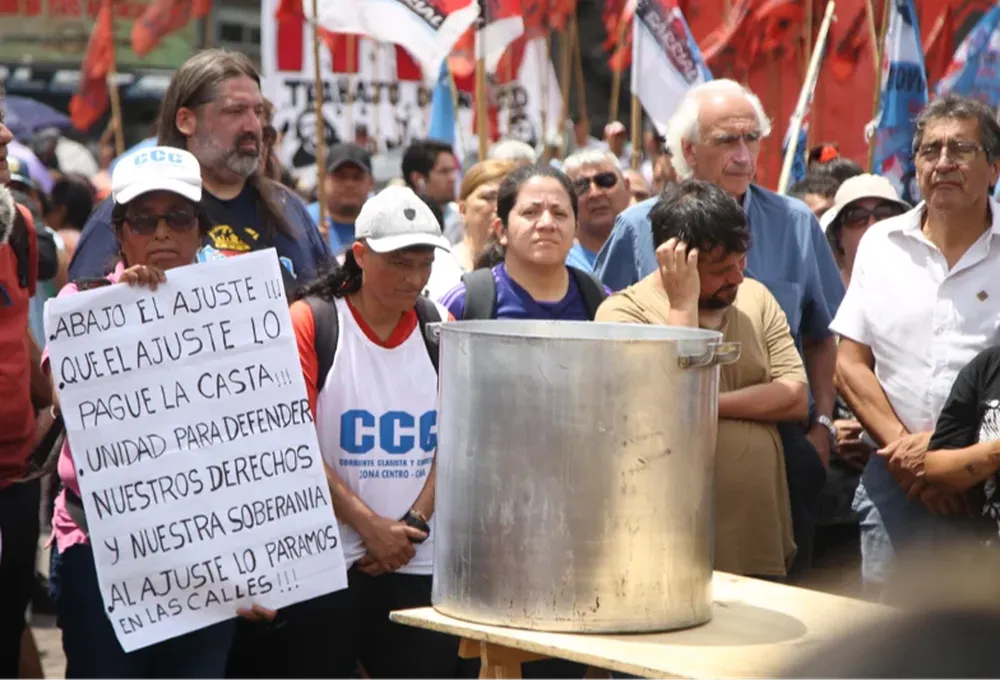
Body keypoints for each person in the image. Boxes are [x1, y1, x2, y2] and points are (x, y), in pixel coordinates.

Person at [594, 79, 844, 577]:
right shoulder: (639, 227)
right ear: (688, 150)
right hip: (663, 472)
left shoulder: (795, 222)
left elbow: (821, 335)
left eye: (751, 138)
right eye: (727, 140)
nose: (743, 154)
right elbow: (626, 352)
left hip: (782, 463)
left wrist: (821, 428)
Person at [45, 147, 275, 678]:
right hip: (101, 554)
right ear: (121, 233)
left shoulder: (238, 309)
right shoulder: (84, 302)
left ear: (201, 228)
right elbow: (65, 399)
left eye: (179, 217)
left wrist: (264, 566)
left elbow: (266, 433)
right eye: (144, 220)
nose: (163, 232)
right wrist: (119, 320)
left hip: (209, 554)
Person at [286, 186, 458, 680]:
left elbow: (455, 440)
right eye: (399, 262)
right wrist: (369, 527)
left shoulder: (439, 326)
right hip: (330, 564)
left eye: (424, 263)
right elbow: (293, 444)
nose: (414, 278)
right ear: (360, 255)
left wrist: (412, 525)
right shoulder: (311, 322)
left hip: (418, 563)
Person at [831, 95, 1000, 592]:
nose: (943, 162)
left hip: (989, 483)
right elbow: (850, 365)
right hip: (895, 482)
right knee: (892, 645)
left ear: (994, 166)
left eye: (960, 149)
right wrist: (910, 461)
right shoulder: (881, 245)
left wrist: (960, 460)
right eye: (930, 151)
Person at [596, 179, 806, 578]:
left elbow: (794, 396)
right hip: (669, 543)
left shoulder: (757, 298)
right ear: (673, 260)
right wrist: (682, 305)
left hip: (757, 538)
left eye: (741, 261)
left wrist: (710, 404)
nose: (738, 277)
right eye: (721, 269)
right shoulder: (623, 314)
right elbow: (672, 409)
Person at [68, 49, 330, 298]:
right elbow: (85, 320)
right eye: (235, 111)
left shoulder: (289, 209)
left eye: (258, 111)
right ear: (186, 121)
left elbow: (330, 314)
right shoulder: (130, 208)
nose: (253, 125)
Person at [439, 164, 608, 322]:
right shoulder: (463, 302)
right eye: (530, 212)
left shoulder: (604, 304)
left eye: (559, 213)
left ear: (575, 230)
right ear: (502, 230)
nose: (547, 224)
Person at [0, 107, 45, 680]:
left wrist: (58, 402)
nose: (7, 136)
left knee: (8, 630)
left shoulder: (20, 229)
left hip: (13, 483)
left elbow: (21, 331)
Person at [819, 174, 910, 287]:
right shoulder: (823, 299)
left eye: (885, 213)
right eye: (856, 217)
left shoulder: (922, 289)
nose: (872, 225)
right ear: (838, 235)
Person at [562, 149, 632, 272]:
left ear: (627, 187)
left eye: (606, 181)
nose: (595, 194)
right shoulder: (561, 267)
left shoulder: (651, 253)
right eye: (581, 186)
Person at [306, 143, 376, 257]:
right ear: (323, 180)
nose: (349, 184)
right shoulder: (304, 222)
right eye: (341, 176)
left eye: (357, 177)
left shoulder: (383, 226)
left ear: (371, 182)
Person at [450, 159, 517, 272]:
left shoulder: (530, 273)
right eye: (488, 198)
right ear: (463, 209)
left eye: (507, 198)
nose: (498, 207)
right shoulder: (442, 268)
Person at [401, 139, 460, 244]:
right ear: (418, 179)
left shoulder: (460, 216)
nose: (452, 178)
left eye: (453, 171)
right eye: (444, 171)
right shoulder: (399, 222)